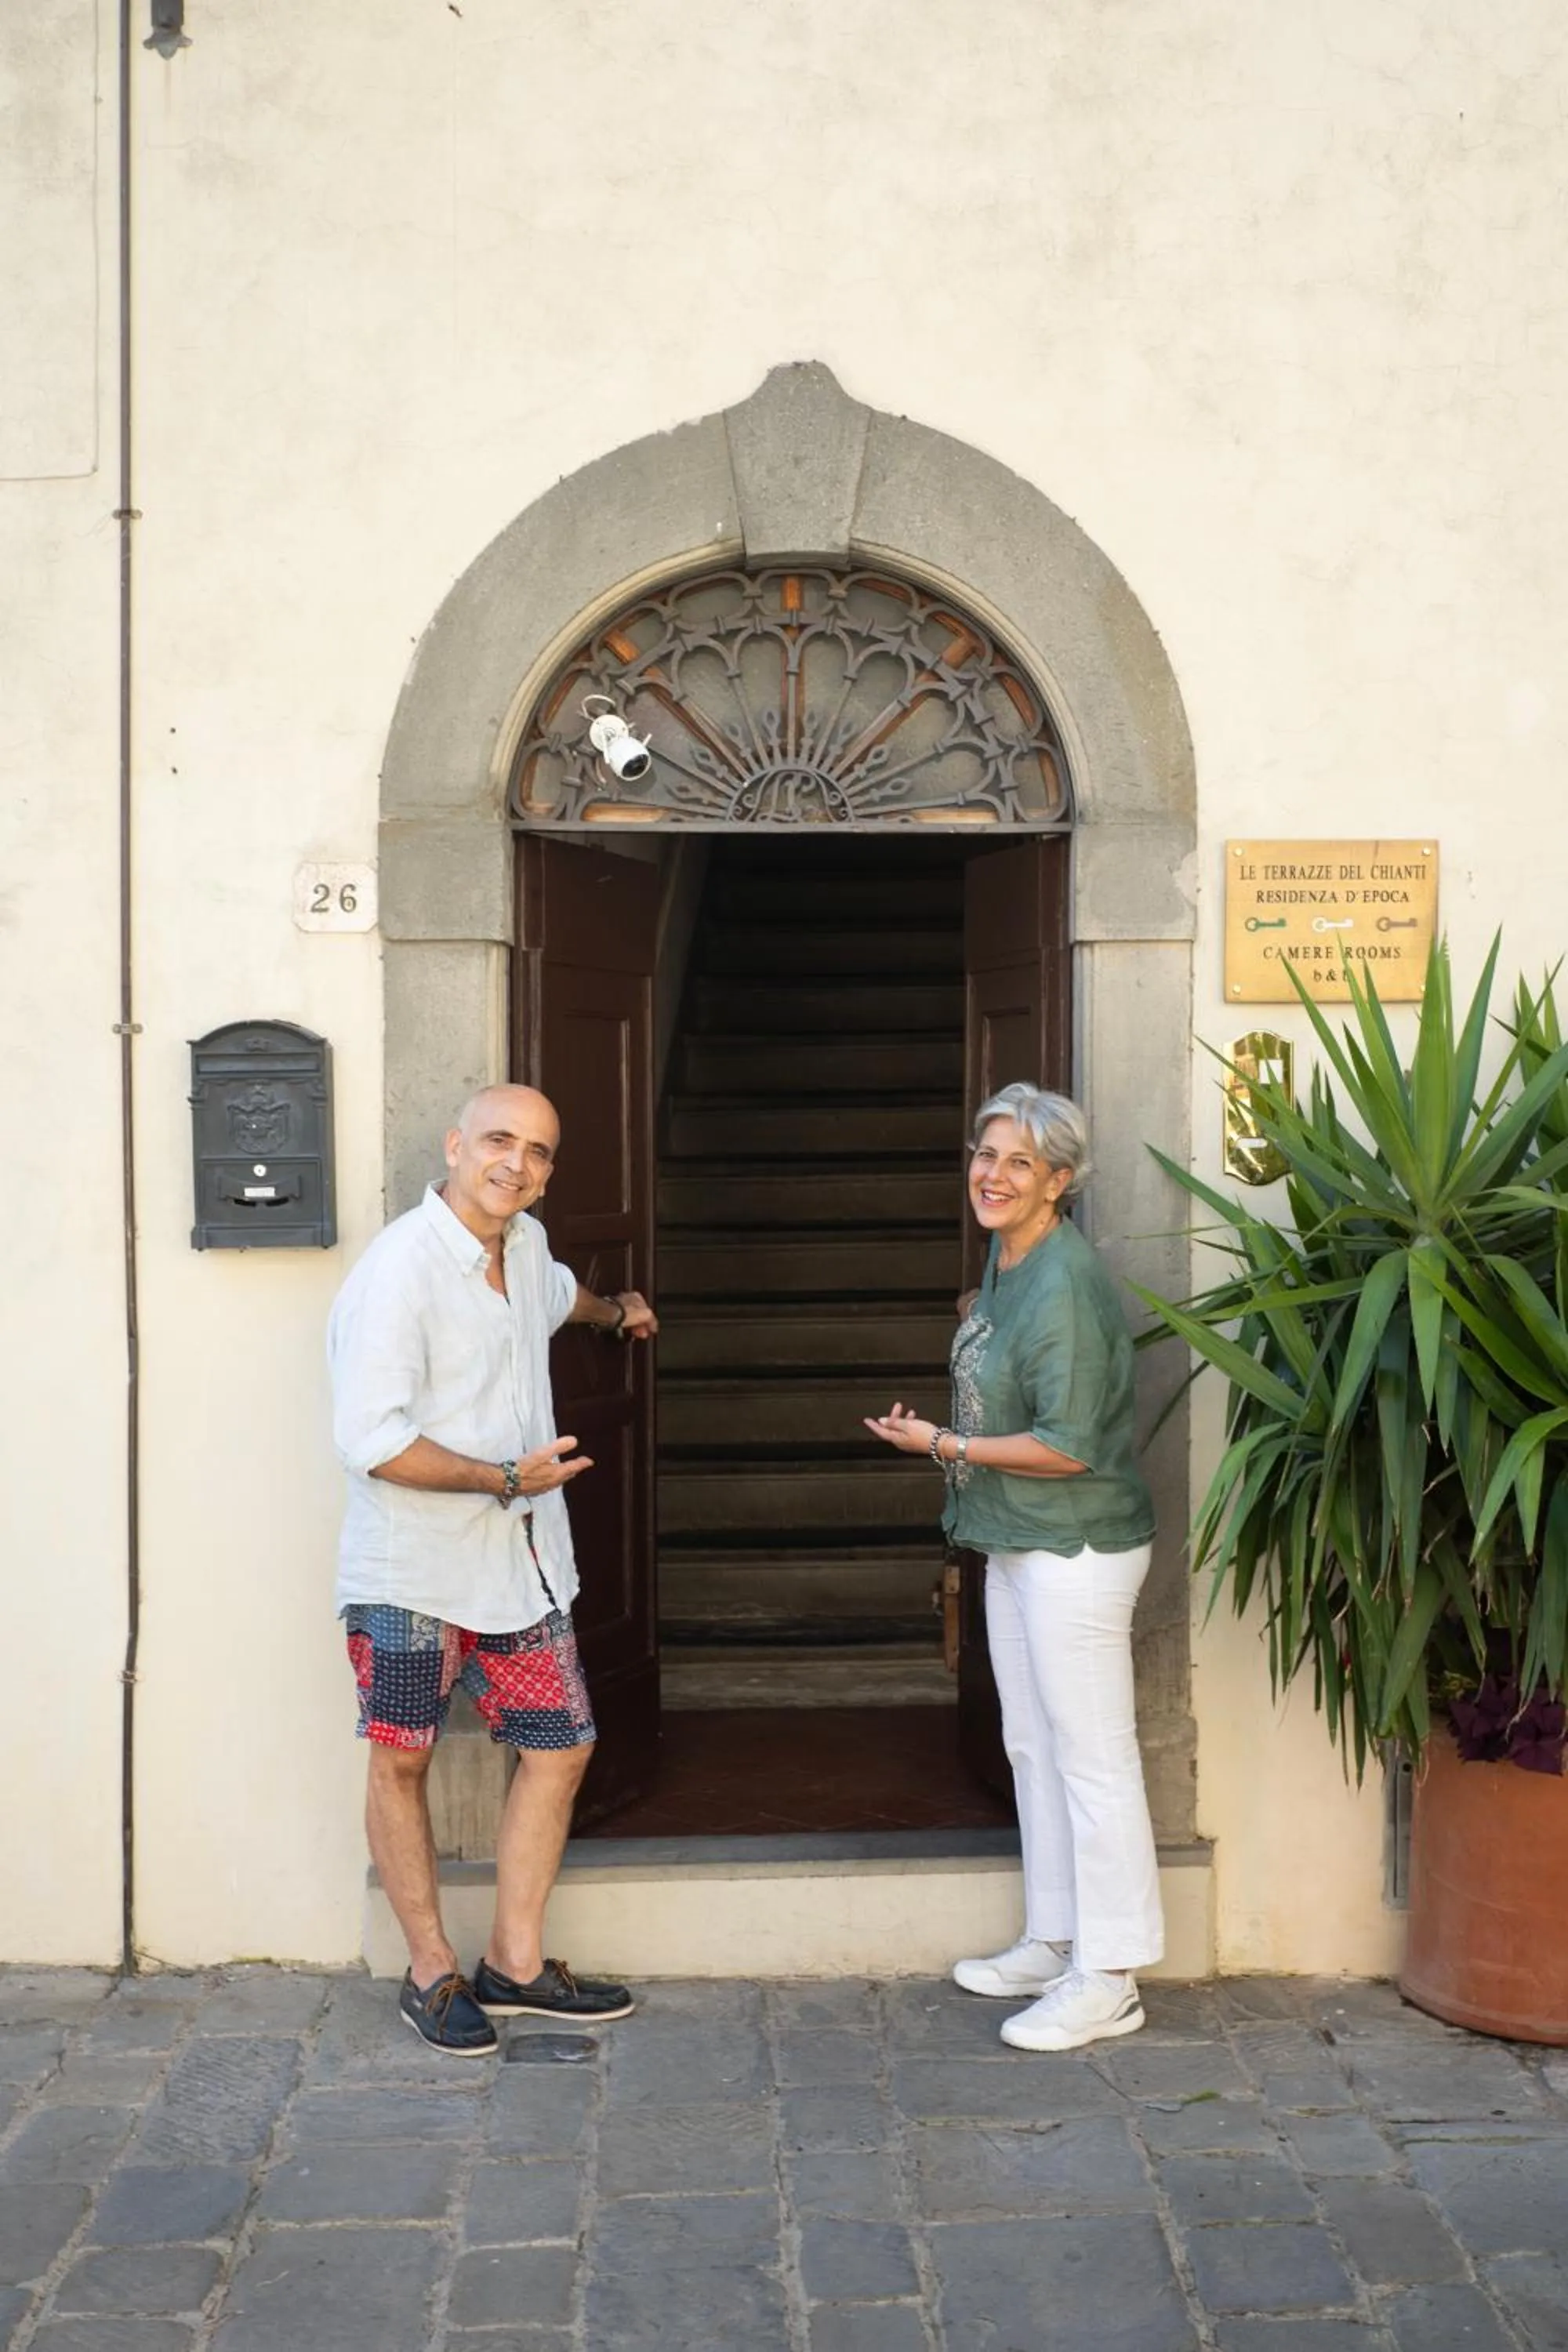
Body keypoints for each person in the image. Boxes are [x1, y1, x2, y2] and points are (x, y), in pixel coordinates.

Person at [328, 1083, 658, 2055]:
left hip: (520, 1570)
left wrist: (615, 1314)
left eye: (539, 1151)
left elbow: (557, 1298)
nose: (517, 1163)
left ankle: (513, 1965)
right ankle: (430, 1971)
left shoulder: (527, 1246)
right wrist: (502, 1478)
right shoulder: (399, 1272)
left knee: (560, 1747)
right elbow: (373, 1442)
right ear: (455, 1145)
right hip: (412, 1572)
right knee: (402, 1758)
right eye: (499, 1141)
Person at [866, 1082, 1162, 2053]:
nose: (991, 1176)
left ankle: (1110, 1977)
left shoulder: (1064, 1285)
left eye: (1018, 1163)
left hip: (1074, 1547)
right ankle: (1055, 1939)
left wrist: (942, 1445)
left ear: (1058, 1182)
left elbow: (1068, 1447)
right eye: (984, 1155)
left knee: (1093, 1758)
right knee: (1032, 1744)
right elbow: (995, 1327)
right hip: (1012, 1537)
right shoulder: (1008, 1256)